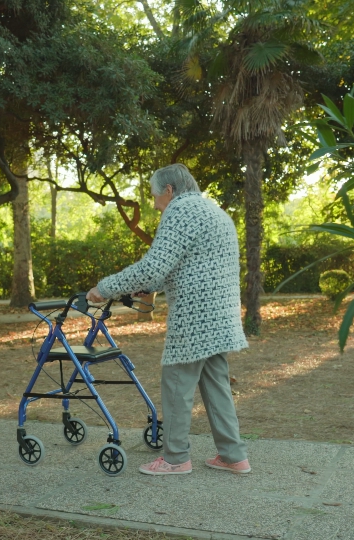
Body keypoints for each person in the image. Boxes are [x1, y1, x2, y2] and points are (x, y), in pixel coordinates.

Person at [86, 163, 251, 476]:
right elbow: (181, 267)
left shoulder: (181, 211)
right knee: (216, 386)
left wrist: (103, 288)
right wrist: (147, 287)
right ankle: (233, 455)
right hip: (219, 316)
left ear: (170, 190)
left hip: (195, 317)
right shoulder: (212, 211)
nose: (154, 203)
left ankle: (175, 458)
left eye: (154, 195)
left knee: (176, 383)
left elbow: (153, 267)